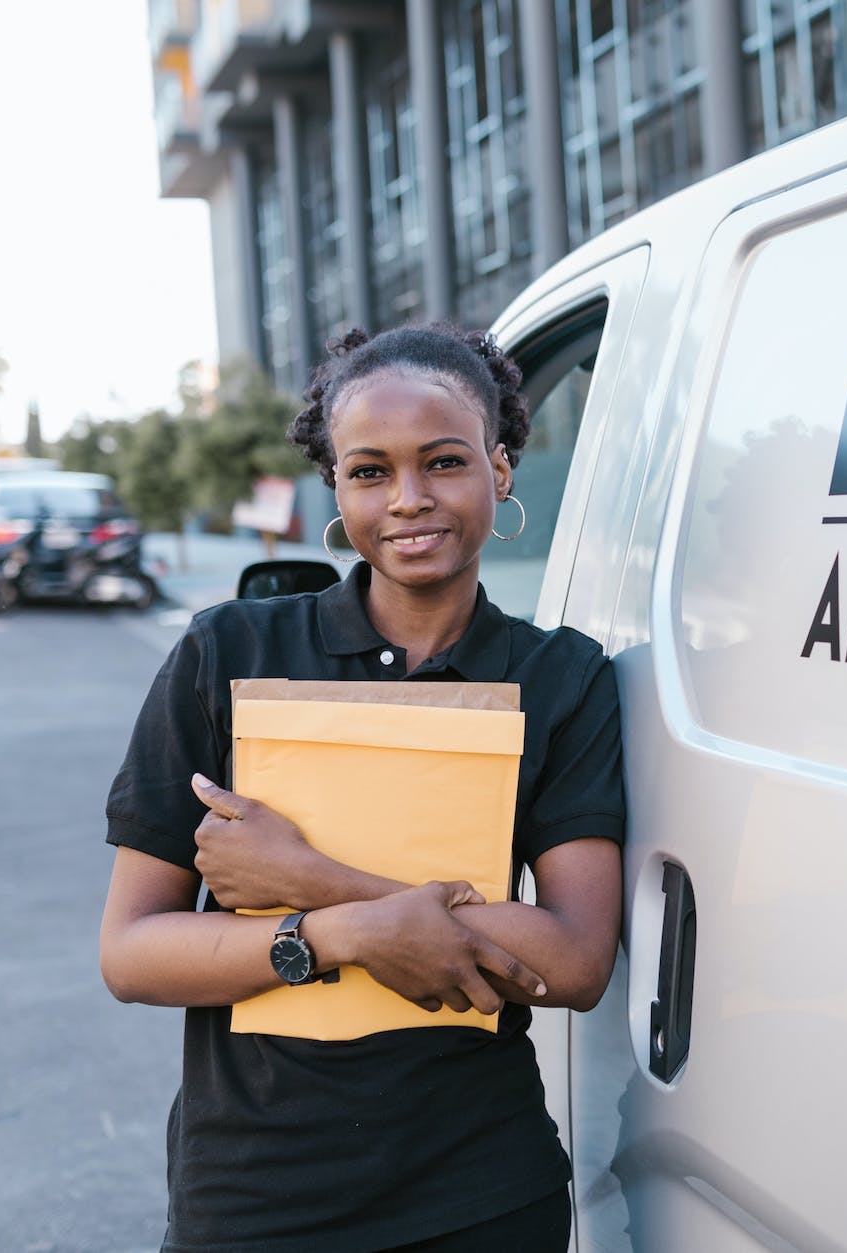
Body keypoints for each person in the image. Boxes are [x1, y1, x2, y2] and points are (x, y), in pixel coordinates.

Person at [98, 324, 624, 1252]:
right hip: (256, 1192)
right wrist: (343, 932)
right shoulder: (229, 653)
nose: (409, 499)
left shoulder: (562, 679)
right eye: (370, 471)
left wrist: (311, 874)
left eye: (444, 461)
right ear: (336, 487)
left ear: (500, 469)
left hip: (481, 1192)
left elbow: (574, 963)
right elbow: (133, 952)